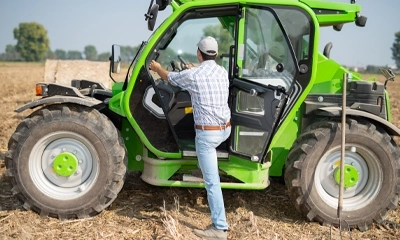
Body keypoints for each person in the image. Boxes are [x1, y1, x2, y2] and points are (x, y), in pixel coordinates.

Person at [149, 36, 231, 240]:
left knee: (212, 182)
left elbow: (169, 78)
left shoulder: (193, 76)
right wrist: (192, 68)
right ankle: (204, 167)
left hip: (208, 135)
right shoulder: (222, 72)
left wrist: (157, 67)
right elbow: (202, 75)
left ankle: (219, 228)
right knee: (205, 148)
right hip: (225, 130)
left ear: (199, 53)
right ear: (216, 54)